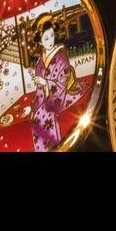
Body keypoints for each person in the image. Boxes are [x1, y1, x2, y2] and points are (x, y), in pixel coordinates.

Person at [29, 14, 83, 151]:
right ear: (40, 42)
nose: (50, 41)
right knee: (35, 116)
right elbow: (39, 90)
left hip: (59, 95)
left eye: (52, 36)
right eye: (46, 38)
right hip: (45, 97)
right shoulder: (40, 61)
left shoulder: (60, 56)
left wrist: (46, 82)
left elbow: (62, 80)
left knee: (44, 117)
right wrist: (33, 105)